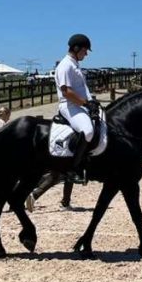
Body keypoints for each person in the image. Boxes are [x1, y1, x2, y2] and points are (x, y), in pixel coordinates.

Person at [55, 33, 95, 184]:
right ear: (77, 48)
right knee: (88, 131)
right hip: (70, 106)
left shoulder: (74, 65)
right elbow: (67, 92)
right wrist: (85, 104)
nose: (86, 54)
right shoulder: (65, 66)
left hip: (79, 104)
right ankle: (73, 169)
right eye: (85, 51)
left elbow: (81, 88)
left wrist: (91, 102)